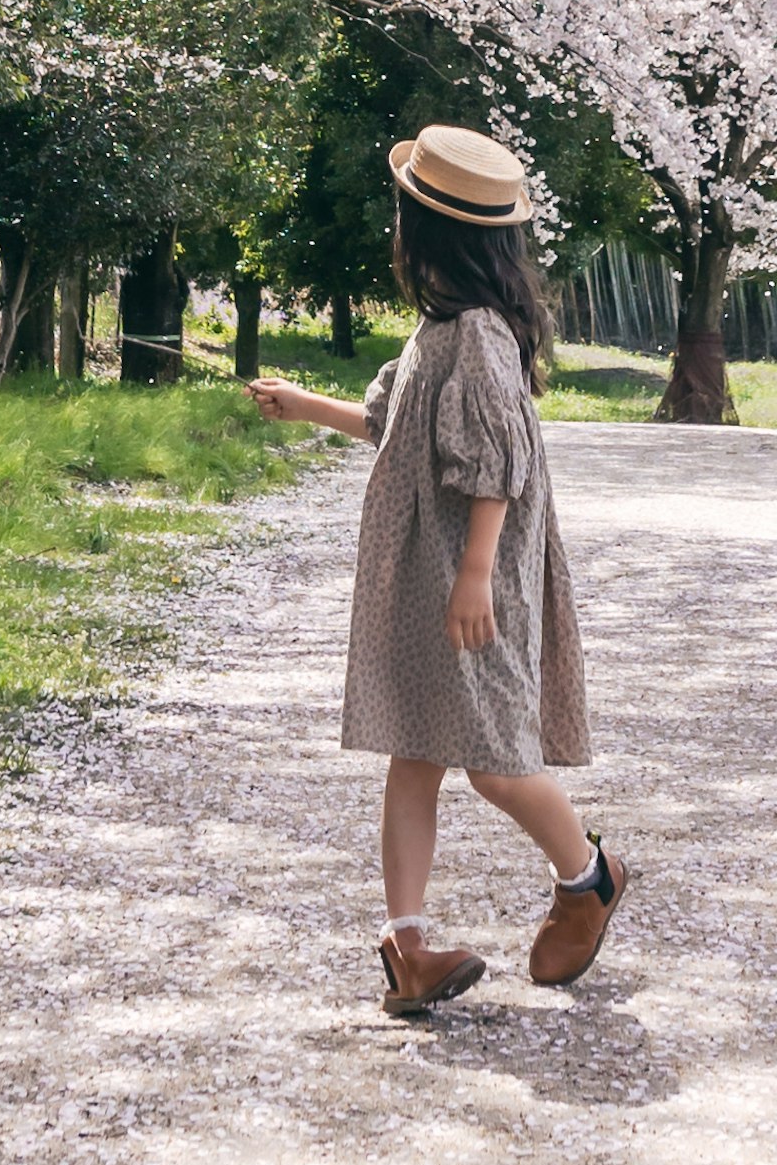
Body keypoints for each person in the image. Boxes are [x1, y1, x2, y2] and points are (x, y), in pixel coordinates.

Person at [251, 123, 630, 1016]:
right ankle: (408, 945)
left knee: (496, 759)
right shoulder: (438, 331)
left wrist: (475, 572)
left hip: (473, 576)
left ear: (427, 231)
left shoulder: (481, 339)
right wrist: (301, 405)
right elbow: (400, 428)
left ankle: (589, 876)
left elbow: (498, 466)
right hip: (432, 568)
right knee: (413, 749)